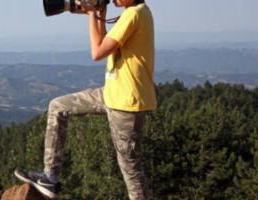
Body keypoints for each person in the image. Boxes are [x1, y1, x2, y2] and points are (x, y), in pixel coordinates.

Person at [14, 0, 155, 199]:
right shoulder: (136, 13)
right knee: (57, 107)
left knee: (131, 169)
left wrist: (91, 15)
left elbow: (97, 52)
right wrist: (100, 15)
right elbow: (107, 41)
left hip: (126, 103)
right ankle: (50, 177)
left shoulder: (134, 14)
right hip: (113, 94)